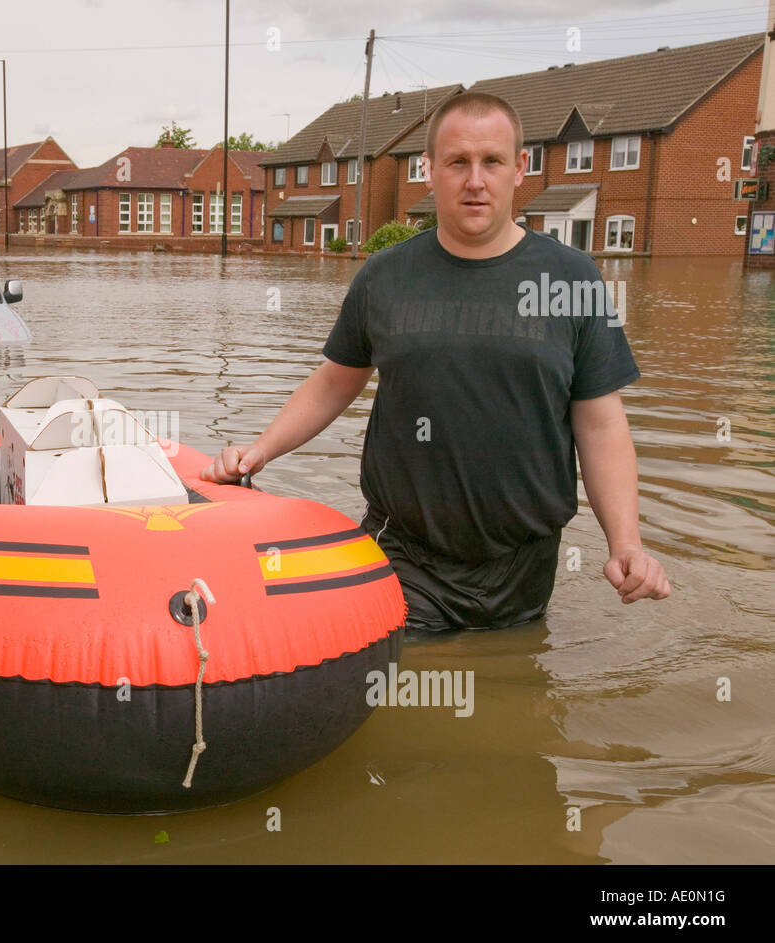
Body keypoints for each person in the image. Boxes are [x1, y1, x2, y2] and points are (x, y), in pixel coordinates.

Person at [202, 91, 670, 631]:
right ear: (430, 170)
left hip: (525, 563)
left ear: (520, 169)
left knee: (513, 697)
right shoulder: (385, 276)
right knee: (398, 688)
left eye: (492, 161)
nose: (475, 180)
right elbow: (335, 382)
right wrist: (259, 452)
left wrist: (627, 543)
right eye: (457, 162)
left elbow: (601, 421)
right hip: (403, 555)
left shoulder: (573, 279)